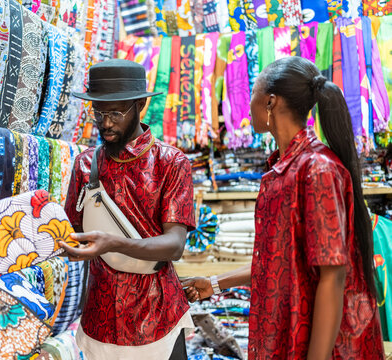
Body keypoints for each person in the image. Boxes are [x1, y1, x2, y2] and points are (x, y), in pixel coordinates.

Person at [182, 56, 384, 359]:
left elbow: (333, 277)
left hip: (322, 345)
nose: (247, 103)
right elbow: (278, 264)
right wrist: (214, 284)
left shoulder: (317, 169)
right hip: (283, 333)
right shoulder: (282, 169)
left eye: (253, 93)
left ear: (270, 102)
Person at [60, 59, 195, 360]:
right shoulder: (85, 164)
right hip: (100, 319)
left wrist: (114, 243)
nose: (106, 123)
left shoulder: (171, 163)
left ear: (141, 105)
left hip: (158, 319)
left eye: (116, 113)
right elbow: (71, 232)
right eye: (99, 112)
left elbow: (174, 245)